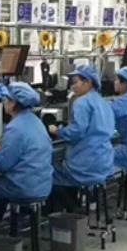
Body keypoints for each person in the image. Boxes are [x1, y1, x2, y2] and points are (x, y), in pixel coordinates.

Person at [0, 82, 53, 231]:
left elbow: (2, 164)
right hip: (42, 184)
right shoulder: (36, 122)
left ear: (13, 103)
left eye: (6, 99)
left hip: (23, 187)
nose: (4, 103)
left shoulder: (15, 128)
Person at [49, 65, 115, 212]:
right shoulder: (103, 102)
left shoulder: (82, 102)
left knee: (50, 172)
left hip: (86, 165)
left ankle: (70, 213)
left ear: (88, 82)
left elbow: (76, 132)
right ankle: (79, 208)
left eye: (75, 82)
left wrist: (58, 131)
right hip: (104, 162)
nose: (73, 86)